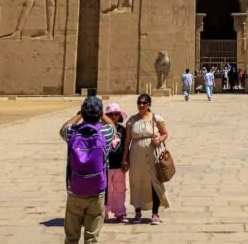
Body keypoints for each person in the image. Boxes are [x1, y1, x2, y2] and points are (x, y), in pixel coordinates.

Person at [60, 96, 120, 243]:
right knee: (91, 237)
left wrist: (79, 114)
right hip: (97, 189)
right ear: (100, 114)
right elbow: (112, 125)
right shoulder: (105, 133)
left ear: (84, 113)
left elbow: (63, 128)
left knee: (72, 237)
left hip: (75, 189)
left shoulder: (72, 132)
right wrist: (102, 115)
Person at [125, 93, 170, 225]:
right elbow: (127, 141)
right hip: (136, 156)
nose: (141, 105)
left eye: (144, 103)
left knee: (154, 183)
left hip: (153, 155)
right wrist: (124, 159)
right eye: (139, 103)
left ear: (149, 104)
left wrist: (159, 139)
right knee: (137, 182)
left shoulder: (156, 118)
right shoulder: (131, 121)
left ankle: (155, 213)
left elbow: (165, 134)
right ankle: (137, 211)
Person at [104, 103, 128, 223]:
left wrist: (125, 161)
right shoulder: (102, 129)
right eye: (110, 114)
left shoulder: (122, 130)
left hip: (119, 165)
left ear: (119, 116)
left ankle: (120, 212)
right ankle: (104, 213)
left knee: (120, 189)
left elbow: (125, 146)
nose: (113, 116)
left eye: (116, 114)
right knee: (105, 190)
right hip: (105, 165)